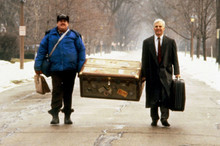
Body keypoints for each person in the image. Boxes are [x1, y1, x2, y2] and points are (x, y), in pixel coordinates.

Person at [34, 14, 86, 125]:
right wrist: (37, 66)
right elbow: (41, 51)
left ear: (68, 23)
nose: (63, 23)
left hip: (70, 69)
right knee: (56, 91)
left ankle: (67, 115)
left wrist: (80, 67)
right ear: (57, 23)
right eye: (60, 21)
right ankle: (55, 115)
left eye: (65, 21)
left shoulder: (74, 35)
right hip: (55, 68)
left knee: (68, 92)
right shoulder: (49, 36)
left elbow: (81, 51)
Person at [141, 19, 180, 127]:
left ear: (164, 28)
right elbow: (144, 59)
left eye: (160, 26)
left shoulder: (170, 42)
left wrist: (177, 72)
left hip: (165, 74)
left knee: (165, 96)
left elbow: (175, 58)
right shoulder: (147, 42)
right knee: (153, 97)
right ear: (153, 28)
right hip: (152, 74)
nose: (158, 28)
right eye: (156, 26)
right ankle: (154, 119)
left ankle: (164, 118)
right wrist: (143, 74)